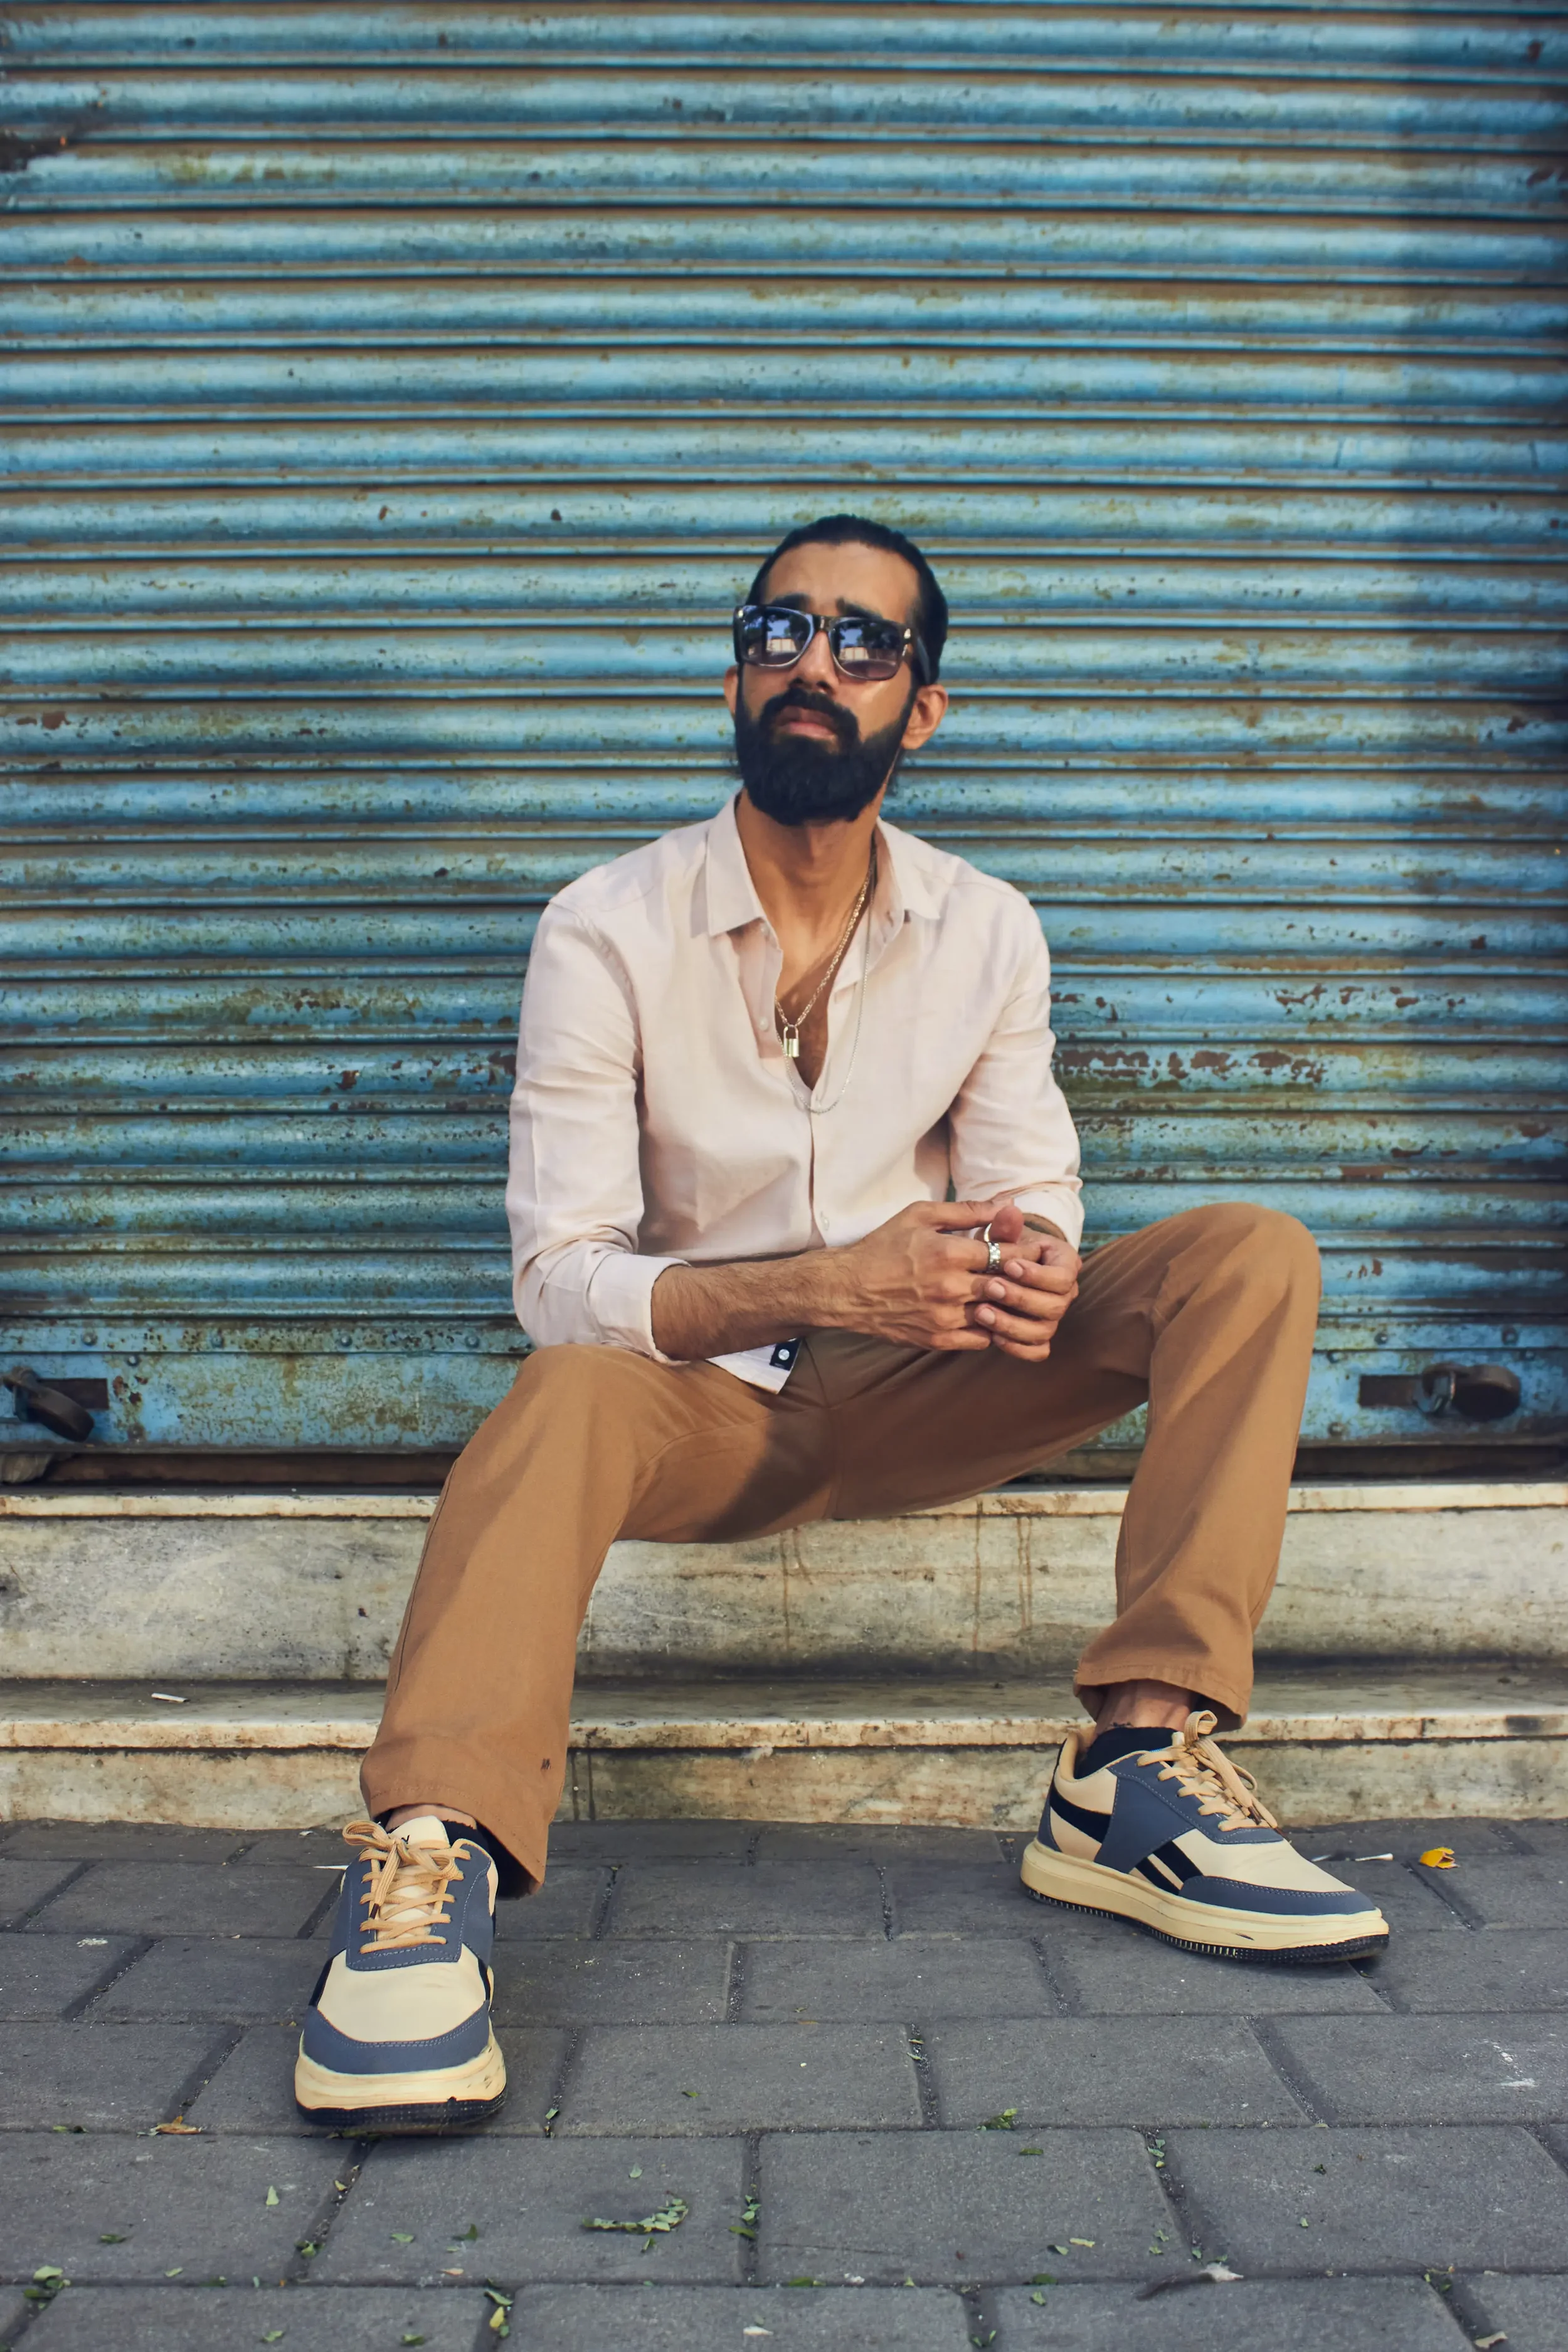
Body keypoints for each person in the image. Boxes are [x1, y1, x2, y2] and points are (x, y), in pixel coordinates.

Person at [294, 516, 1389, 2134]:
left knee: (1249, 1254)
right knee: (562, 1386)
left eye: (864, 642)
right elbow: (559, 1273)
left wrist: (1017, 1261)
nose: (814, 661)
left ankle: (1134, 1772)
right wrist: (823, 1281)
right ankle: (431, 1858)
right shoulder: (604, 927)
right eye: (780, 628)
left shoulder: (987, 928)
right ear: (738, 671)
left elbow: (1036, 1183)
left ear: (918, 709)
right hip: (704, 1408)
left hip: (929, 1383)